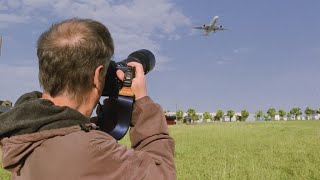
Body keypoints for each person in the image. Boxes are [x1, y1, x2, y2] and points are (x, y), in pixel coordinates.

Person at [0, 18, 176, 180]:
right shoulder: (94, 152)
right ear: (98, 75)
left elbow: (68, 136)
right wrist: (143, 104)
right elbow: (162, 173)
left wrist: (105, 120)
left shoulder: (25, 130)